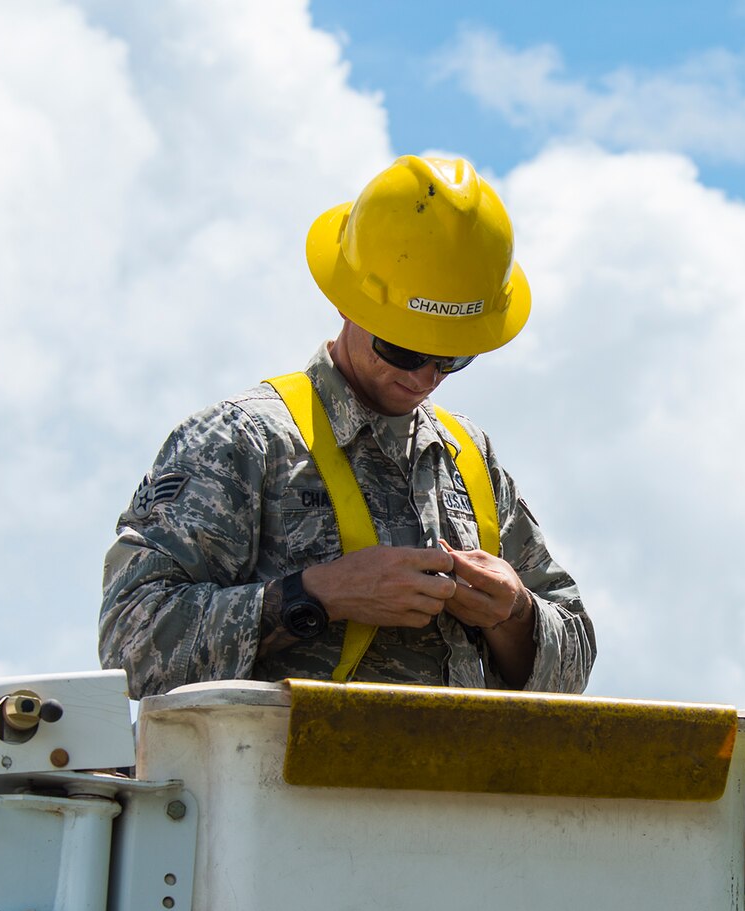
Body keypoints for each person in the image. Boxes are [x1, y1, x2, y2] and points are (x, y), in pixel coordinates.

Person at [99, 155, 594, 699]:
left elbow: (573, 665)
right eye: (405, 349)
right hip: (276, 782)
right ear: (349, 304)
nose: (428, 378)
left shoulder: (468, 459)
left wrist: (515, 614)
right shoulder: (242, 443)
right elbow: (131, 650)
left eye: (454, 358)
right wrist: (314, 597)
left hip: (452, 783)